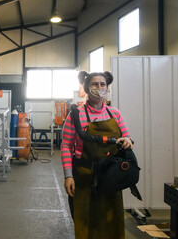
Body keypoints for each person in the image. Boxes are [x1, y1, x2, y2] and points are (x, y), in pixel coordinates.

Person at [61, 71, 133, 239]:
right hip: (84, 177)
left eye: (102, 84)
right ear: (87, 88)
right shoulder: (76, 115)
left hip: (110, 177)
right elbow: (66, 146)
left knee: (111, 222)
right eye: (94, 84)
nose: (99, 88)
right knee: (85, 222)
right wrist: (68, 176)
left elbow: (127, 137)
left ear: (107, 88)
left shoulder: (115, 114)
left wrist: (127, 140)